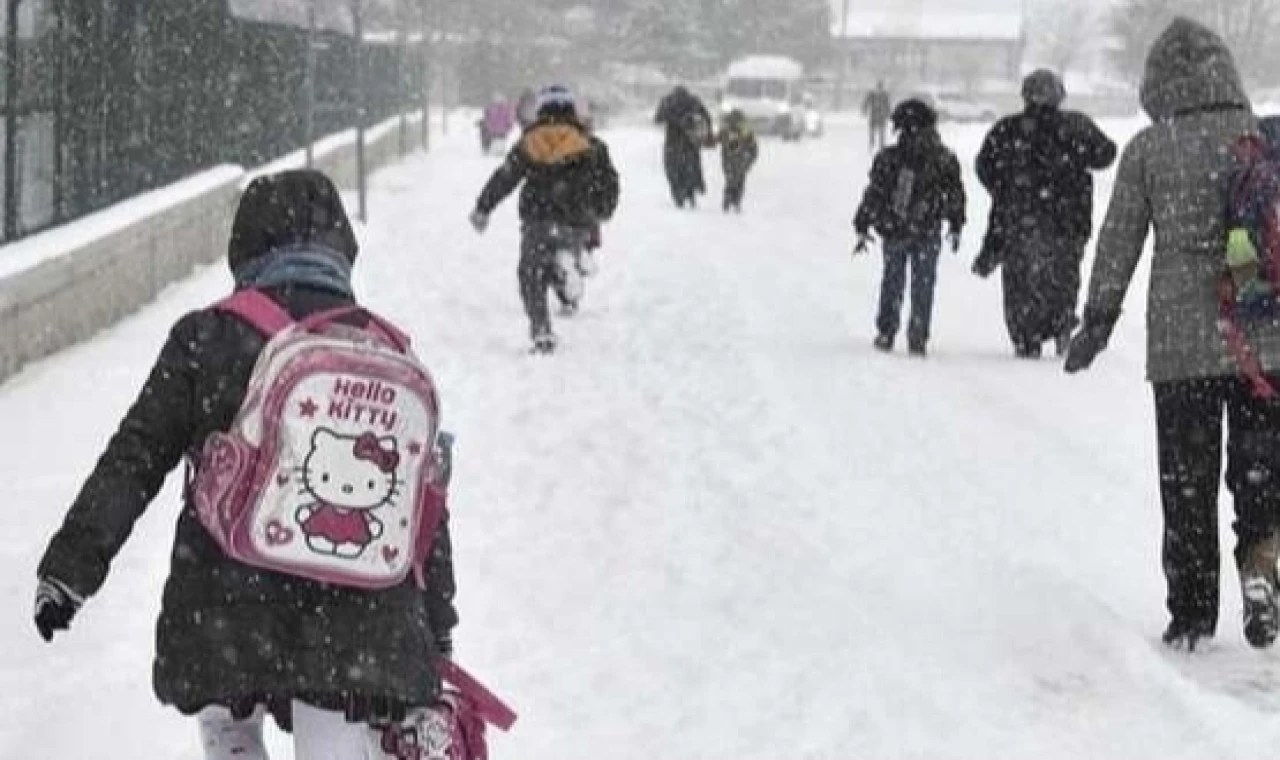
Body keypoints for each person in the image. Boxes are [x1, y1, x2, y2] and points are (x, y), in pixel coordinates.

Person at [32, 169, 459, 758]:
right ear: (341, 250)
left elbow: (134, 457)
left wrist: (70, 569)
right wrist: (436, 623)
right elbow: (422, 506)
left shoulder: (206, 337)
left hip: (226, 602)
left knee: (228, 721)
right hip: (357, 618)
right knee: (337, 725)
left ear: (246, 247)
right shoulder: (384, 350)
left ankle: (234, 739)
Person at [1065, 18, 1280, 651]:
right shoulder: (1260, 139)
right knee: (1261, 469)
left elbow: (1119, 240)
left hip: (1182, 346)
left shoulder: (1151, 149)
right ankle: (1262, 563)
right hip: (1262, 337)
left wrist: (1097, 319)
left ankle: (1191, 614)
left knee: (1187, 479)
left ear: (1157, 82)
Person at [975, 70, 1117, 359]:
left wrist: (1006, 188)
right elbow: (1106, 154)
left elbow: (984, 166)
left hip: (1018, 218)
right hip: (1068, 219)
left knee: (1019, 278)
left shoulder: (1008, 130)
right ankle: (1061, 322)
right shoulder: (1076, 126)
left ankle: (1025, 335)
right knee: (1063, 275)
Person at [470, 85, 621, 354]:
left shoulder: (530, 141)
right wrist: (601, 211)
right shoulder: (591, 145)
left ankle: (541, 330)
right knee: (564, 251)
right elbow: (608, 183)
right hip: (576, 220)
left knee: (531, 273)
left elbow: (505, 177)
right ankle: (571, 264)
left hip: (538, 218)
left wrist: (483, 208)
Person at [853, 99, 966, 357]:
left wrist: (863, 223)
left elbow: (874, 194)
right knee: (923, 283)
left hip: (895, 228)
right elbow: (956, 195)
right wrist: (956, 223)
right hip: (928, 230)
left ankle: (886, 331)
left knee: (893, 280)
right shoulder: (944, 158)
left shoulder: (889, 158)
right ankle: (917, 334)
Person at [654, 85, 713, 209]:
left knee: (673, 169)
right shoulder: (694, 101)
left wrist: (673, 119)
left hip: (672, 141)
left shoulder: (668, 102)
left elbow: (657, 119)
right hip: (690, 142)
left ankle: (679, 194)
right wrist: (707, 135)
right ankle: (690, 192)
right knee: (690, 168)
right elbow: (707, 118)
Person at [716, 109, 759, 213]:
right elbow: (753, 148)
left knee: (731, 180)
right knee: (738, 181)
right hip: (740, 160)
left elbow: (717, 139)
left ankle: (730, 199)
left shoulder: (727, 129)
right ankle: (734, 200)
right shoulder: (745, 130)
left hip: (731, 160)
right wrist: (750, 159)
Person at [862, 81, 892, 152]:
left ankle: (881, 146)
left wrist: (888, 113)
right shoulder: (872, 94)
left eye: (880, 87)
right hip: (874, 116)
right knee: (872, 132)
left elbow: (887, 105)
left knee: (881, 133)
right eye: (878, 87)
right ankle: (871, 145)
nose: (879, 89)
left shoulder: (885, 95)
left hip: (881, 116)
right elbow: (866, 102)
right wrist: (864, 109)